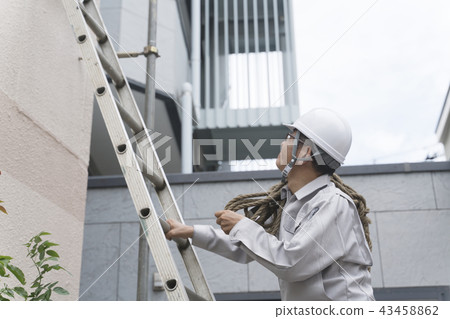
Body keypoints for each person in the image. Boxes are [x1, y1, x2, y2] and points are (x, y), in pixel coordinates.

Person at [166, 108, 374, 301]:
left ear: (305, 153)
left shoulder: (333, 204)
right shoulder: (291, 203)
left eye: (289, 138)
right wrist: (191, 232)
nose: (282, 144)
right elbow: (248, 247)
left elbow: (291, 263)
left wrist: (241, 225)